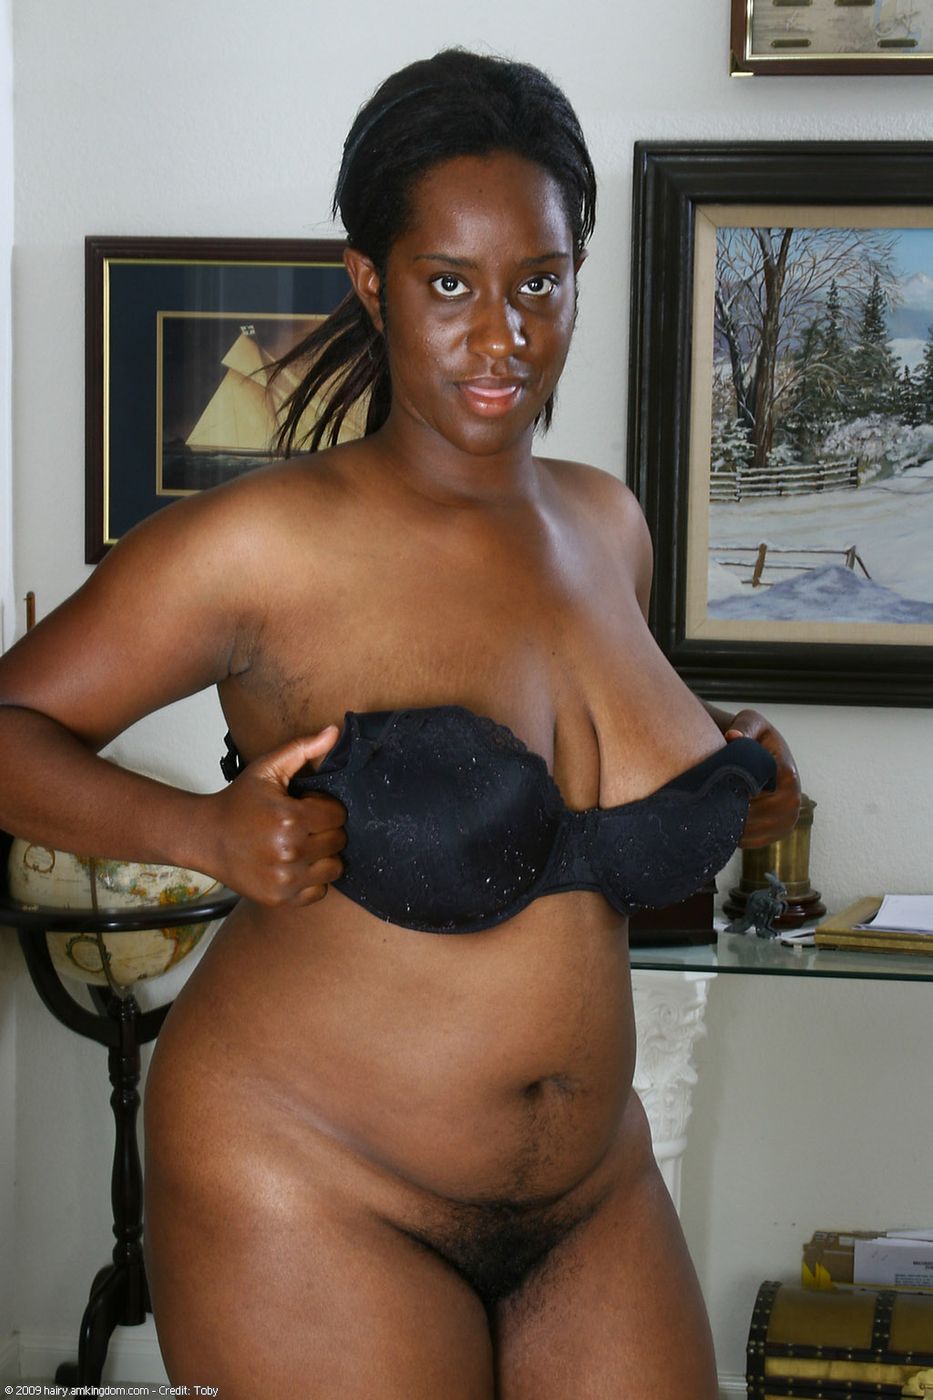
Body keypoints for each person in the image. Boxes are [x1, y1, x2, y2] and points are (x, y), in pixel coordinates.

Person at [0, 49, 800, 1399]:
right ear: (372, 283)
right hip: (311, 1176)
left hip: (592, 1195)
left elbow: (587, 763)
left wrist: (732, 772)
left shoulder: (607, 523)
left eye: (538, 282)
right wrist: (203, 833)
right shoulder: (258, 547)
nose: (503, 336)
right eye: (449, 284)